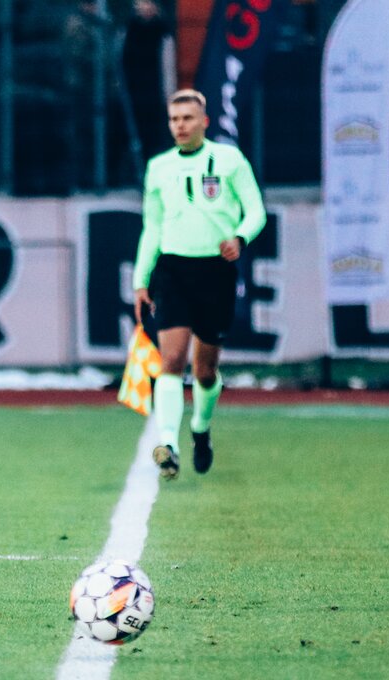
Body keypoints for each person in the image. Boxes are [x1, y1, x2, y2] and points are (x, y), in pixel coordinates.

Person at [132, 89, 266, 480]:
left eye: (188, 118)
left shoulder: (229, 160)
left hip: (215, 272)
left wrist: (239, 237)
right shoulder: (158, 167)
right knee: (171, 360)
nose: (180, 126)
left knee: (204, 371)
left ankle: (200, 429)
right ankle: (168, 445)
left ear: (204, 122)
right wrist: (141, 278)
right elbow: (152, 227)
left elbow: (256, 210)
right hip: (172, 271)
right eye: (174, 119)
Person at [122, 0, 175, 161]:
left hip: (155, 92)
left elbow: (168, 67)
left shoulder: (162, 32)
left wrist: (169, 96)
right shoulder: (129, 30)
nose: (143, 7)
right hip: (132, 93)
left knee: (155, 135)